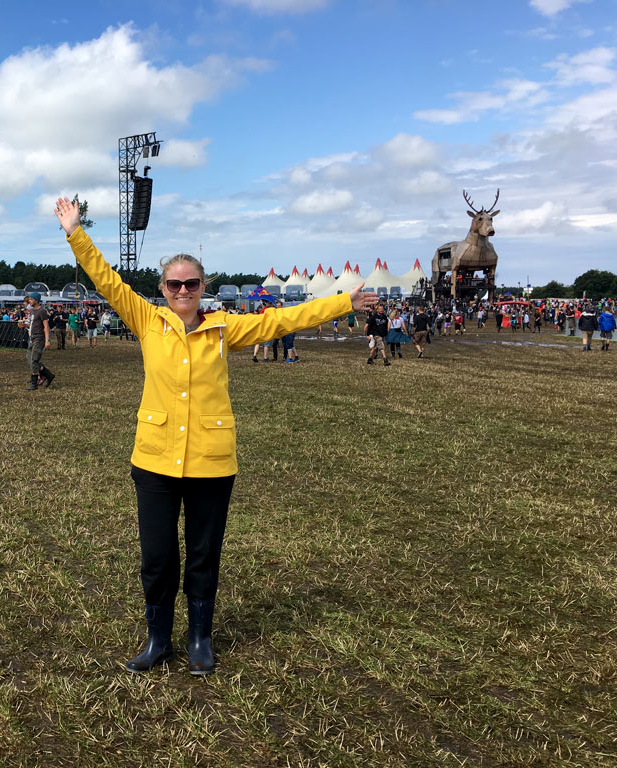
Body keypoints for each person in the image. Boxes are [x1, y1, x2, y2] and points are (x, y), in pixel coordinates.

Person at [54, 196, 378, 676]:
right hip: (155, 462)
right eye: (173, 283)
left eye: (191, 283)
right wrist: (75, 231)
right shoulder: (146, 321)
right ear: (163, 288)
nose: (182, 289)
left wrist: (341, 303)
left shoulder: (226, 328)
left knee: (204, 555)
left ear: (202, 286)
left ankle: (200, 638)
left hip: (211, 461)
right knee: (158, 557)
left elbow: (282, 320)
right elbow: (106, 279)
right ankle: (158, 639)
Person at [22, 292, 54, 389]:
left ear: (36, 300)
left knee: (34, 359)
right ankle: (48, 374)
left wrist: (47, 340)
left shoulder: (42, 311)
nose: (29, 301)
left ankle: (34, 383)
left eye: (31, 299)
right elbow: (32, 325)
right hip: (32, 338)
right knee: (29, 358)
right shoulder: (32, 311)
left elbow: (46, 326)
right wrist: (25, 325)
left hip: (39, 338)